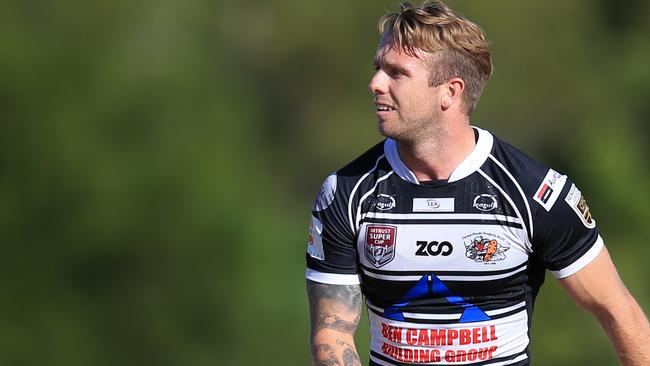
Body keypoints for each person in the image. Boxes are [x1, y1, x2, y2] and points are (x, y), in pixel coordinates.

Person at [305, 1, 650, 365]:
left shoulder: (535, 192)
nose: (375, 83)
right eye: (378, 68)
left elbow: (620, 313)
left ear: (450, 92)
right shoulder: (345, 192)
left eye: (396, 72)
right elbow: (332, 331)